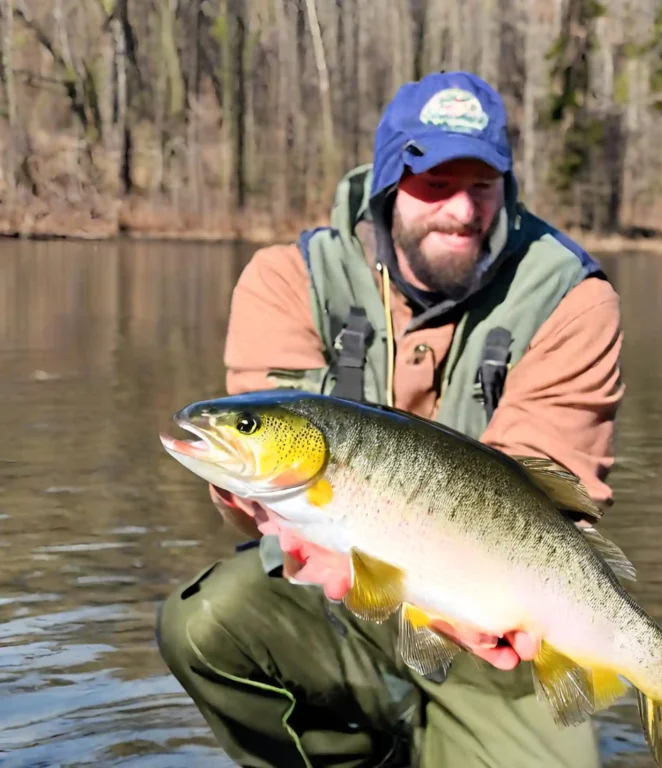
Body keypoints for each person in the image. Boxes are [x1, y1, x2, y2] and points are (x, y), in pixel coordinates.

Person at [156, 70, 625, 768]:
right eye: (435, 184)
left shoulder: (572, 300)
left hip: (492, 618)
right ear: (385, 184)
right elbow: (260, 469)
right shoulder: (289, 279)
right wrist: (237, 491)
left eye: (482, 185)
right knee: (205, 623)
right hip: (332, 599)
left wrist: (476, 612)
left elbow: (542, 484)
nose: (462, 210)